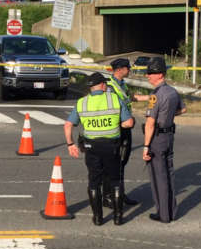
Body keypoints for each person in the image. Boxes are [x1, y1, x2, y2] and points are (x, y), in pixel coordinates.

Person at [64, 72, 134, 226]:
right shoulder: (114, 99)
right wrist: (118, 124)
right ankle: (118, 217)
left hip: (92, 148)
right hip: (112, 147)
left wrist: (70, 144)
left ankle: (97, 218)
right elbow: (128, 123)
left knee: (94, 182)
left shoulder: (82, 102)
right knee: (115, 181)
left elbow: (68, 125)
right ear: (103, 85)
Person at [141, 57, 186, 224]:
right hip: (169, 136)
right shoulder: (172, 91)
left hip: (157, 138)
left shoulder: (156, 95)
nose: (148, 76)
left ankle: (163, 214)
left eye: (150, 73)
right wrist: (168, 115)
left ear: (160, 74)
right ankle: (172, 212)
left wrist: (146, 146)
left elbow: (150, 123)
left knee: (158, 176)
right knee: (169, 173)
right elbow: (183, 109)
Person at [102, 58, 138, 208]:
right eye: (127, 68)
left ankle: (119, 193)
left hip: (126, 127)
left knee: (122, 162)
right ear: (119, 69)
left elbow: (128, 99)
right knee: (112, 163)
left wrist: (148, 98)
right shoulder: (110, 86)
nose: (129, 70)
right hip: (116, 129)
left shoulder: (122, 84)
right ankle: (107, 196)